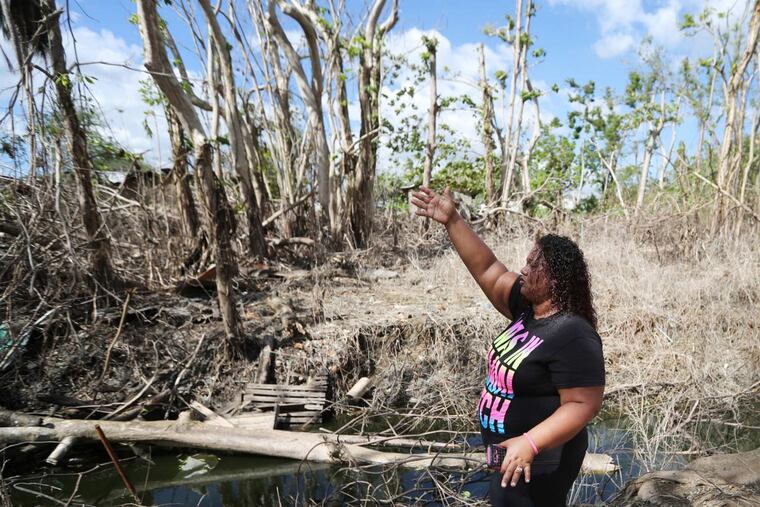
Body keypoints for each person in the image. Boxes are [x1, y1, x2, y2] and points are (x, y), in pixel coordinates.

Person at [412, 186, 605, 507]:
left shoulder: (573, 333)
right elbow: (488, 269)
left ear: (554, 279)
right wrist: (452, 220)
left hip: (541, 457)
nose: (524, 269)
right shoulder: (528, 307)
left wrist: (530, 443)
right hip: (510, 451)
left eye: (533, 265)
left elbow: (583, 405)